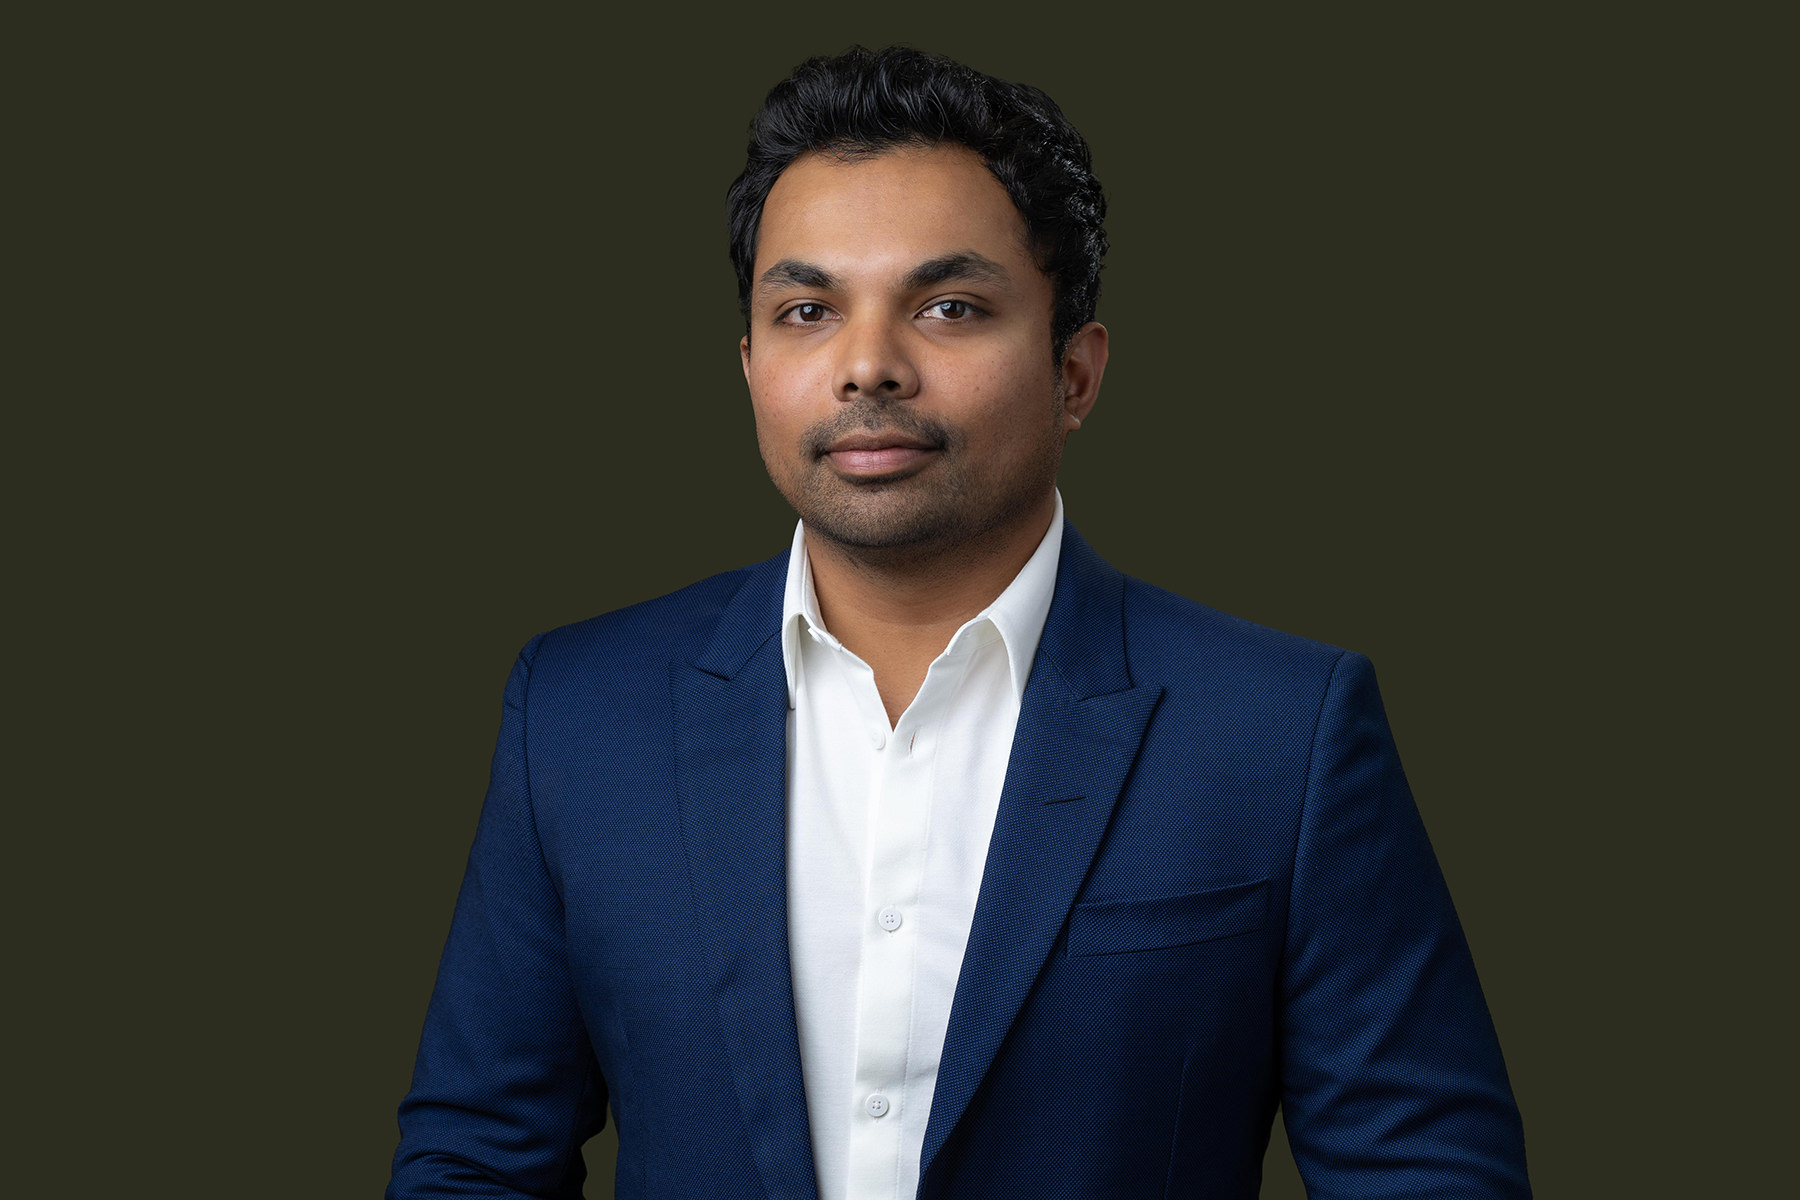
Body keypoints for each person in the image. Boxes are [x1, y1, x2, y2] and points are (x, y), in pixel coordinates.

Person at [389, 45, 1530, 1200]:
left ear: (1074, 372)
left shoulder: (1280, 734)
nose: (867, 365)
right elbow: (474, 1160)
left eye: (948, 306)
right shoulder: (579, 713)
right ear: (749, 365)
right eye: (805, 310)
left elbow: (1426, 1173)